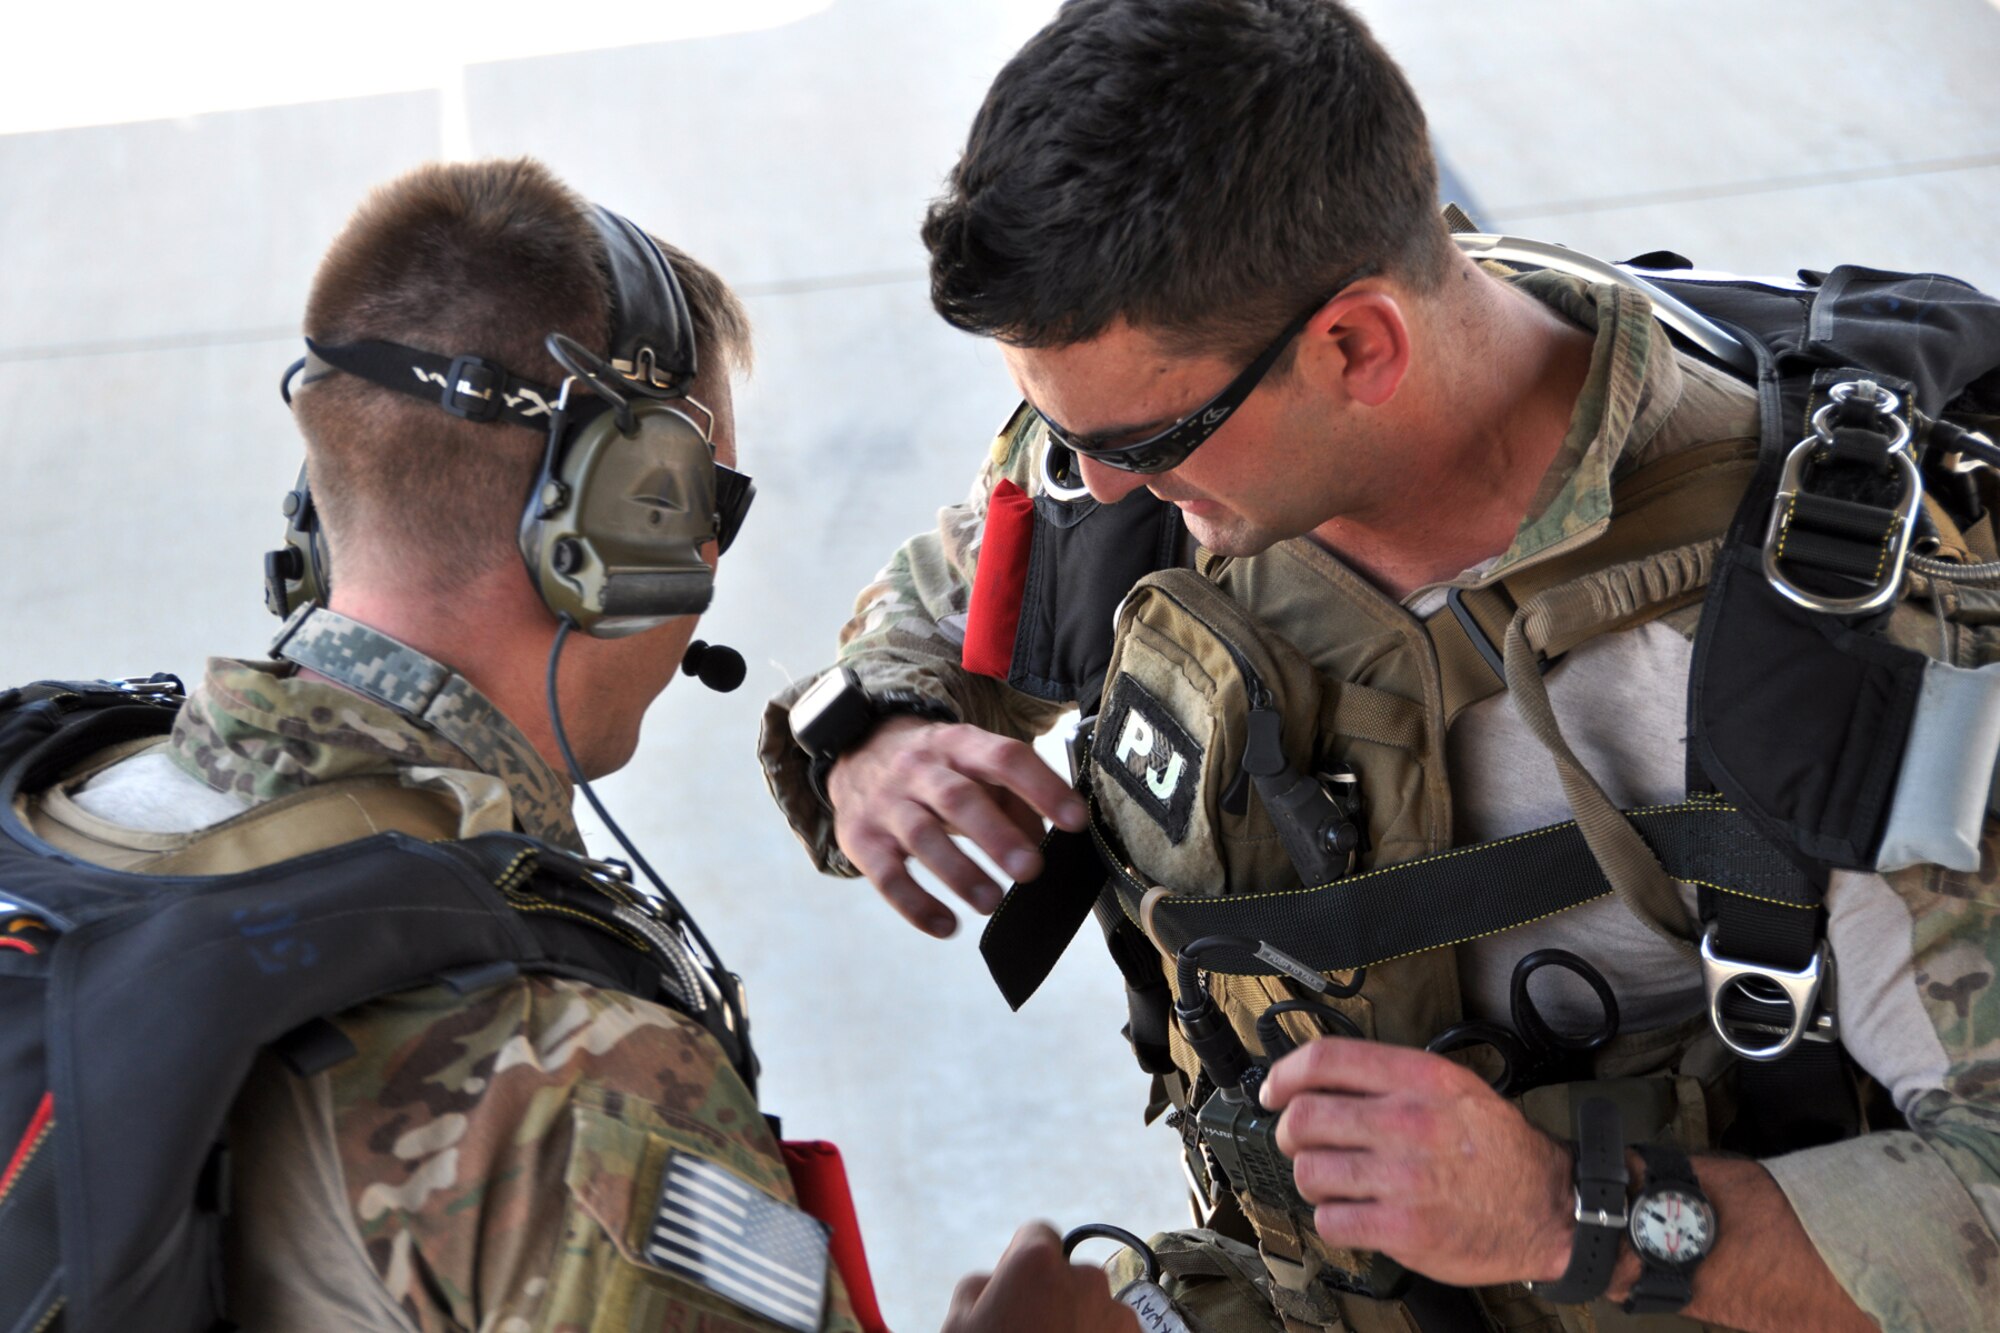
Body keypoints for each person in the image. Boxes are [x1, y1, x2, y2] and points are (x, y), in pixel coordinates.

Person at [757, 3, 2000, 1330]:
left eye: (1139, 435)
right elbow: (931, 612)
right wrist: (872, 740)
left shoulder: (1833, 639)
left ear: (1358, 345)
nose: (1097, 481)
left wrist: (1557, 1212)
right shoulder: (1163, 456)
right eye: (1067, 431)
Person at [11, 157, 1137, 1333]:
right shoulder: (564, 1088)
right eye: (708, 507)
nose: (706, 569)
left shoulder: (66, 802)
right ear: (621, 520)